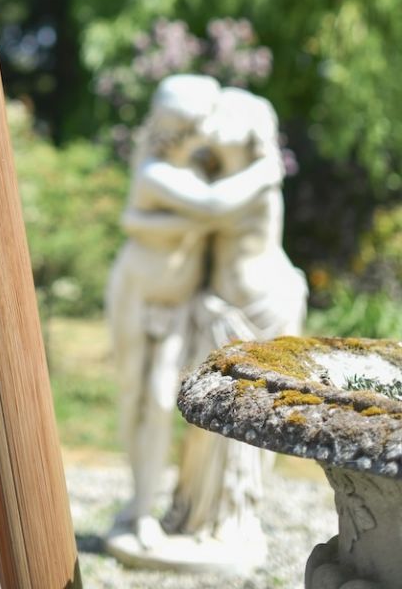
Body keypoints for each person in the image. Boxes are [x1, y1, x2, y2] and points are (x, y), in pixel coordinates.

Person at [106, 75, 285, 554]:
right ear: (185, 127)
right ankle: (139, 509)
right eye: (209, 116)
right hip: (140, 297)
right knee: (136, 398)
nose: (217, 123)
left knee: (163, 402)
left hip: (180, 304)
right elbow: (208, 210)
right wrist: (268, 170)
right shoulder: (158, 172)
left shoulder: (203, 170)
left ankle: (148, 509)